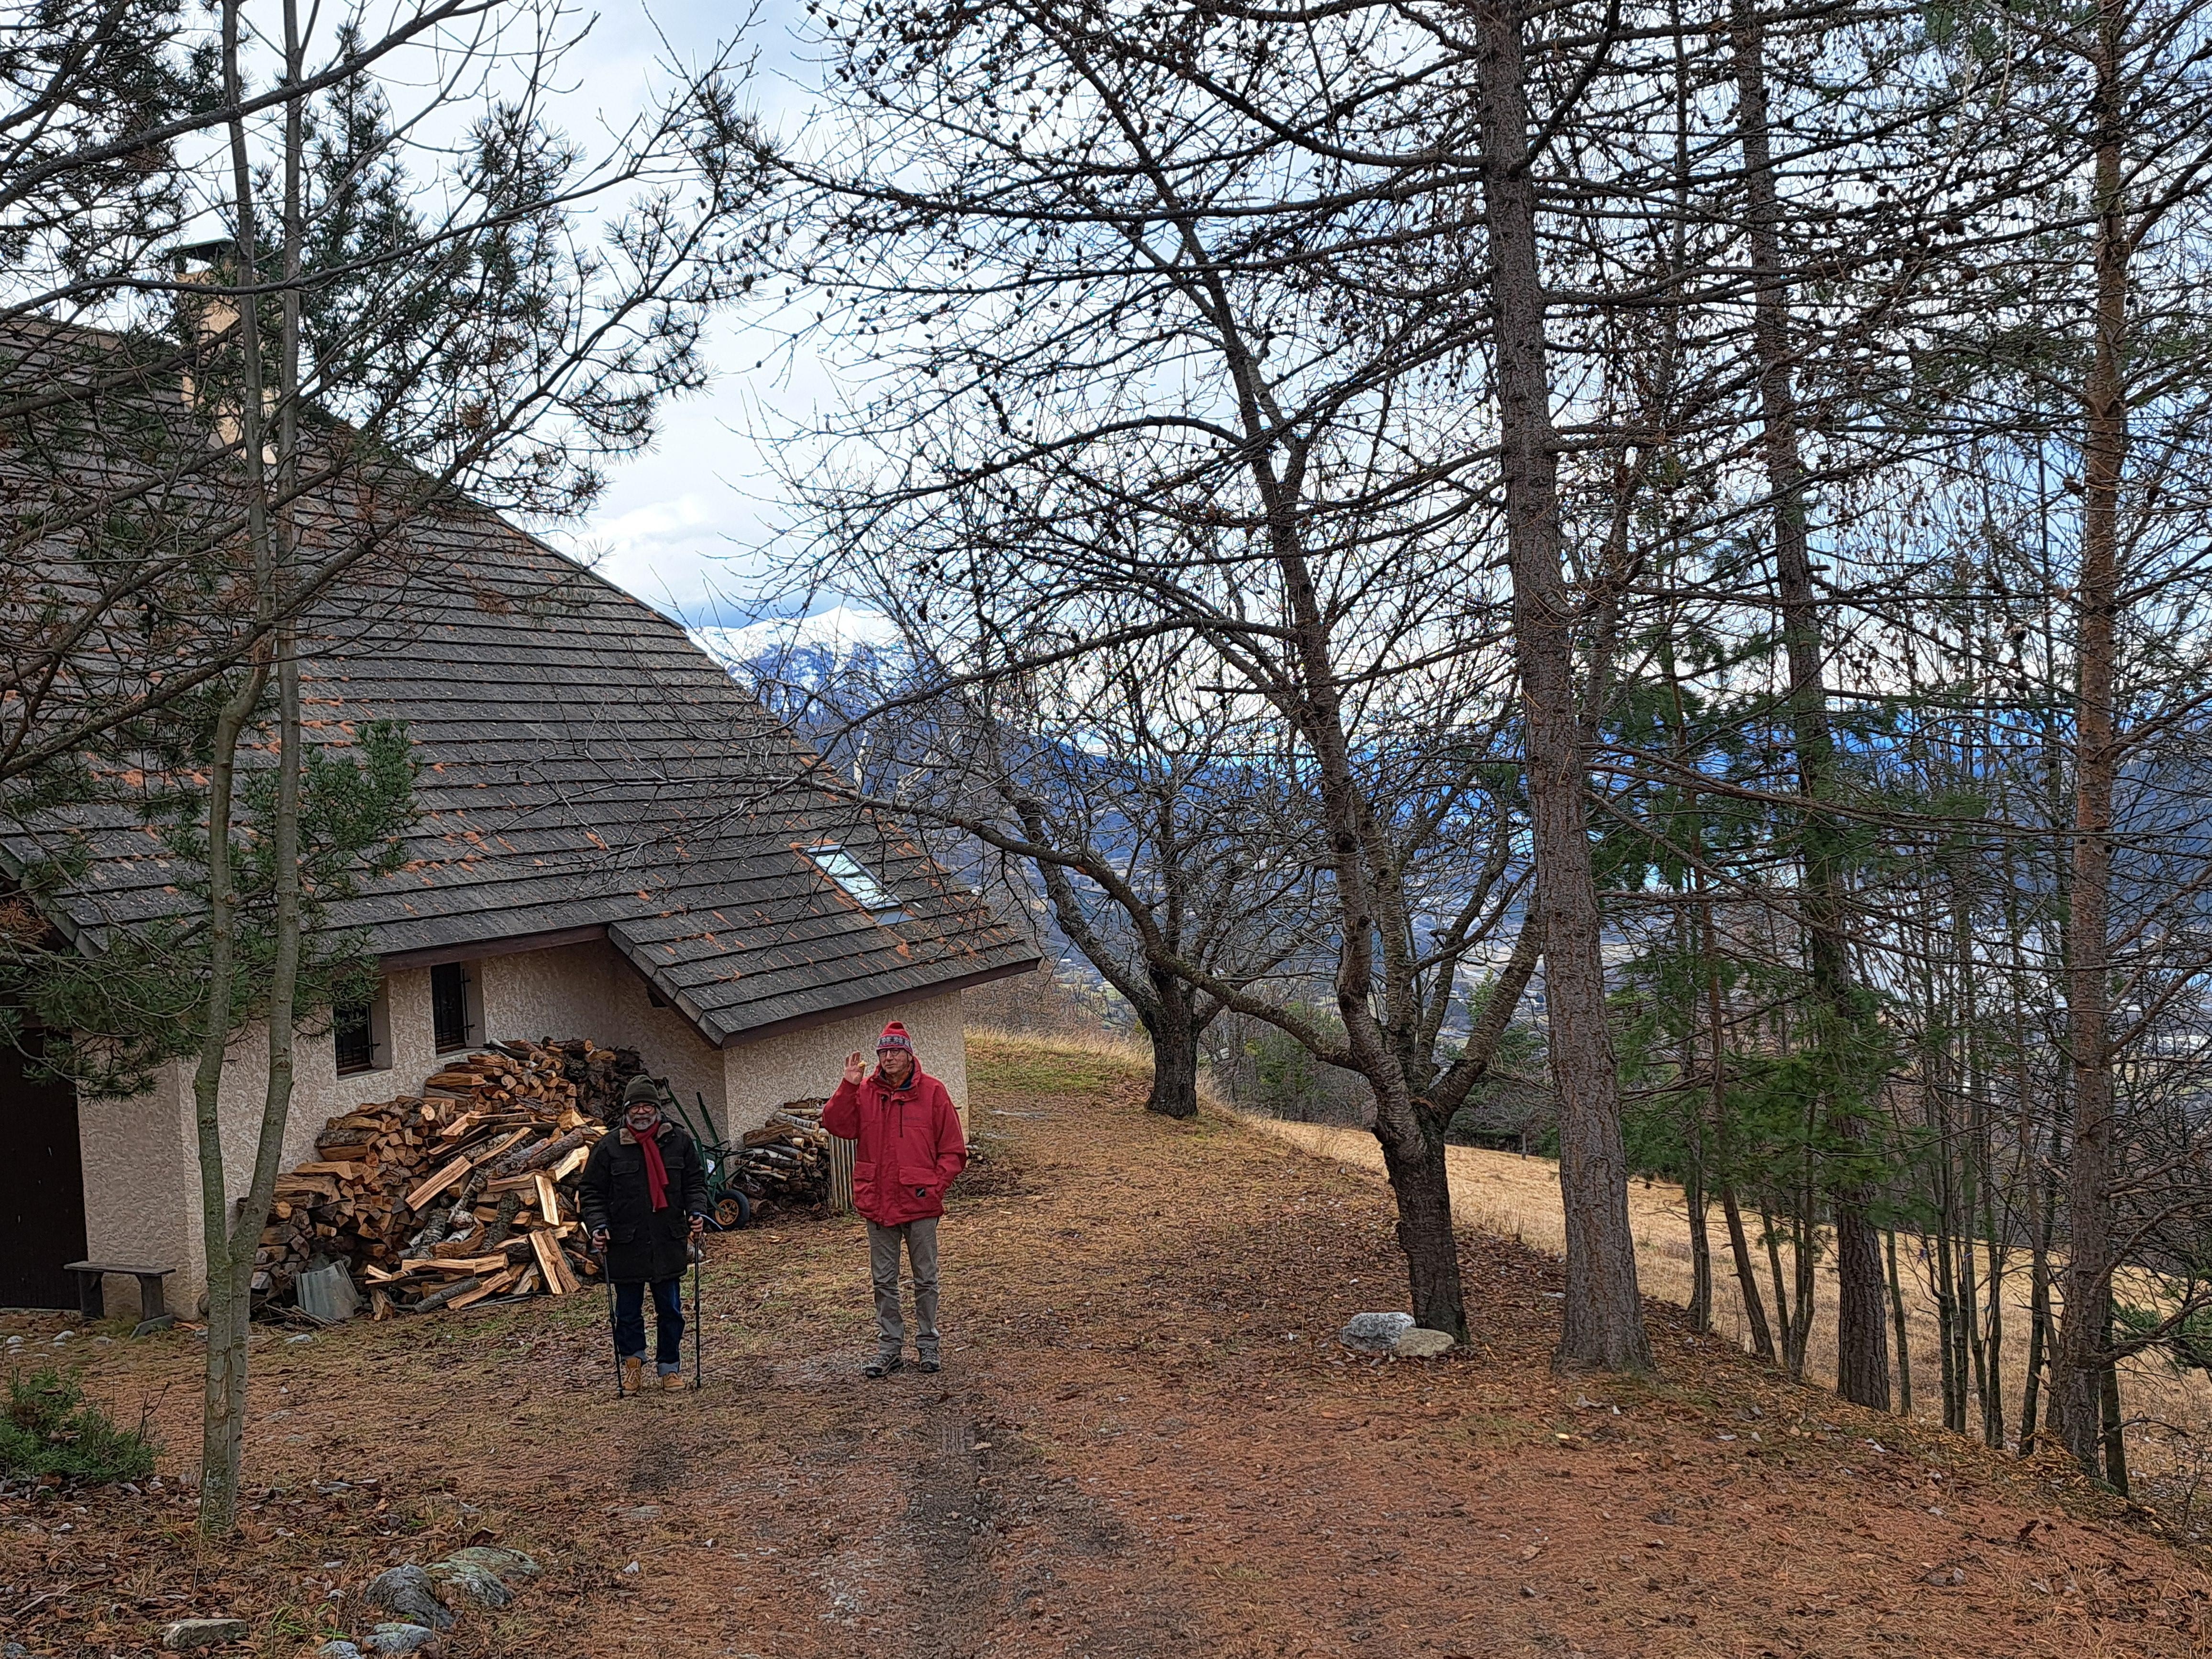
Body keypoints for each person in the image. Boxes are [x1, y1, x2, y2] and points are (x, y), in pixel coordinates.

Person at [823, 1020, 967, 1377]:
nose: (888, 1058)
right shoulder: (865, 1092)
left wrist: (935, 1185)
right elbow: (836, 1124)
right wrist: (847, 1086)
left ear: (909, 1054)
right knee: (883, 1281)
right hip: (879, 1201)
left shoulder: (934, 1092)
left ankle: (928, 1346)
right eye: (883, 1052)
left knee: (926, 1279)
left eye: (894, 1051)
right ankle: (890, 1349)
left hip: (920, 1202)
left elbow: (953, 1151)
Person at [581, 1075, 709, 1394]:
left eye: (647, 1106)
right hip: (625, 1244)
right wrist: (598, 1226)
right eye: (636, 1106)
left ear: (657, 1109)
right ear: (626, 1111)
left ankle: (670, 1369)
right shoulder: (609, 1147)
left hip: (668, 1240)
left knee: (671, 1311)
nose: (642, 1112)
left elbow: (695, 1182)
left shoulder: (678, 1141)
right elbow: (592, 1193)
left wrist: (697, 1211)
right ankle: (633, 1366)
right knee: (627, 1313)